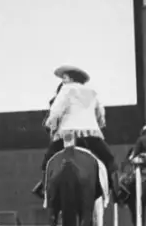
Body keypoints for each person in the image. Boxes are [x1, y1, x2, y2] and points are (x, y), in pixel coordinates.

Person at [32, 65, 117, 199]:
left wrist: (50, 125)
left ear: (71, 78)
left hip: (67, 135)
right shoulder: (91, 92)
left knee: (48, 159)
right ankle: (115, 188)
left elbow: (55, 112)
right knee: (109, 159)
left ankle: (44, 187)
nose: (63, 81)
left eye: (64, 77)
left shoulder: (66, 90)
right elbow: (100, 113)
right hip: (91, 135)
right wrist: (99, 125)